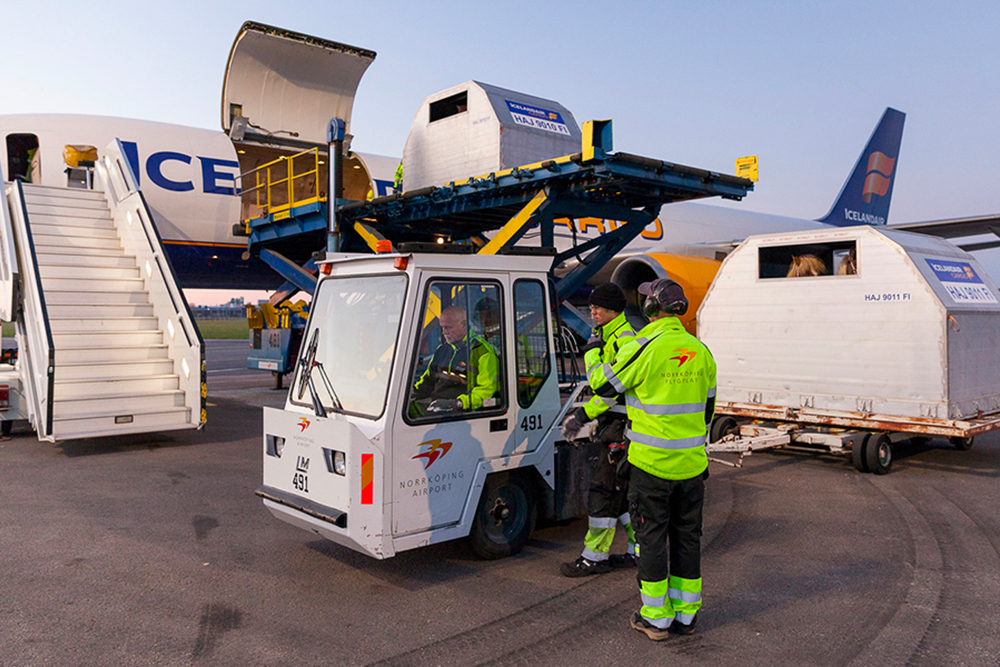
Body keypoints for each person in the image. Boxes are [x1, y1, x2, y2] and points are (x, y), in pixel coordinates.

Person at [589, 278, 716, 641]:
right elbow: (707, 412)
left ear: (651, 308)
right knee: (688, 540)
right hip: (691, 467)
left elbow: (602, 385)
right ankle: (687, 615)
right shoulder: (701, 351)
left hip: (651, 467)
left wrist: (594, 349)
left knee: (652, 540)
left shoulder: (645, 347)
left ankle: (656, 618)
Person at [560, 283, 638, 576]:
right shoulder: (611, 335)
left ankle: (595, 558)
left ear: (612, 309)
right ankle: (637, 551)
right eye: (591, 306)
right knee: (621, 497)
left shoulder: (623, 340)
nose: (591, 311)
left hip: (620, 429)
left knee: (603, 493)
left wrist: (582, 415)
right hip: (614, 426)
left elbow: (604, 387)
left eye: (597, 307)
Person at [410, 305, 499, 414]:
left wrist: (458, 403)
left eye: (448, 327)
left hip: (465, 414)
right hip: (437, 408)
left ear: (464, 324)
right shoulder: (442, 349)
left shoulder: (481, 351)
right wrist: (413, 393)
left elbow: (486, 390)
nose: (444, 332)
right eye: (442, 327)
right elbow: (428, 379)